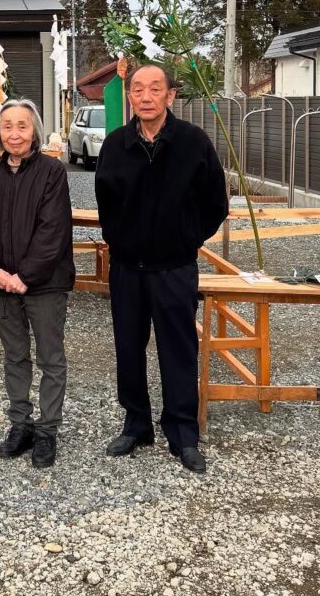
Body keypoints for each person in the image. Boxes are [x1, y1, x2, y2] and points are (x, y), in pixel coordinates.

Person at [95, 63, 228, 474]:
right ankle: (136, 424)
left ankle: (183, 432)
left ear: (171, 96)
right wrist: (120, 239)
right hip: (128, 269)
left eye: (156, 89)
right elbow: (106, 205)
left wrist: (187, 239)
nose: (147, 96)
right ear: (130, 97)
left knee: (179, 350)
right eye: (139, 89)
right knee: (128, 349)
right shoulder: (115, 145)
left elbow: (215, 205)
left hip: (175, 267)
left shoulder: (193, 142)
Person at [0, 99, 74, 469]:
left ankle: (47, 429)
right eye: (7, 126)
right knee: (15, 356)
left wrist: (25, 276)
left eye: (22, 126)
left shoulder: (52, 172)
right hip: (2, 283)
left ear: (34, 129)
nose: (14, 134)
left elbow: (54, 230)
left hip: (44, 284)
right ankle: (21, 423)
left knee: (51, 358)